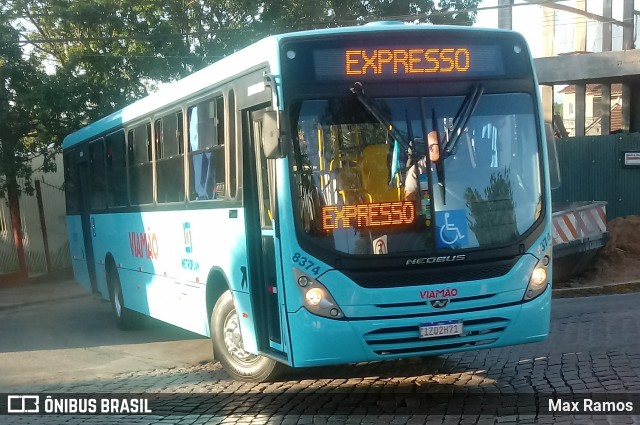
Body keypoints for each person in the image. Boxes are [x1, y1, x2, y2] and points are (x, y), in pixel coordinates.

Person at [404, 130, 439, 202]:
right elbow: (410, 204)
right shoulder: (416, 171)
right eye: (441, 145)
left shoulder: (452, 164)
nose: (446, 149)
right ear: (431, 148)